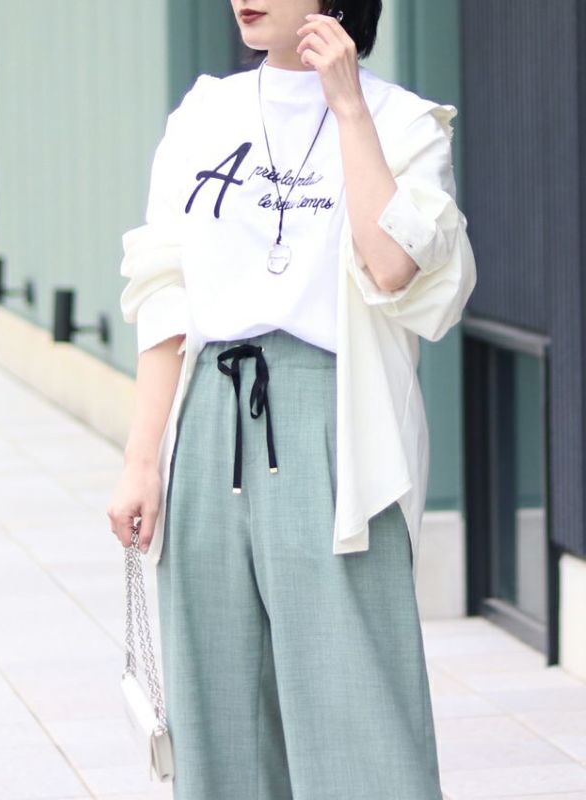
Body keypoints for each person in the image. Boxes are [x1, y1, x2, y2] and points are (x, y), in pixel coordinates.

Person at [107, 1, 477, 798]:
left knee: (356, 697)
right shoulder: (205, 115)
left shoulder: (402, 123)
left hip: (332, 420)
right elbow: (165, 296)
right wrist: (141, 461)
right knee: (217, 704)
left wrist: (348, 107)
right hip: (210, 421)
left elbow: (393, 268)